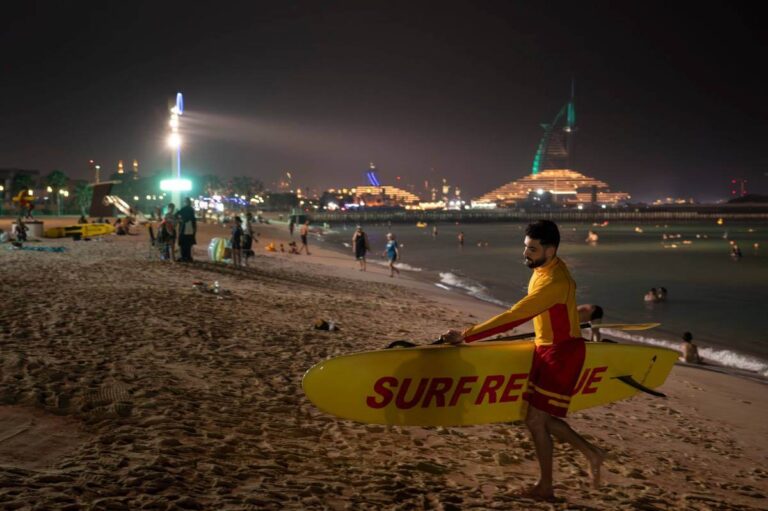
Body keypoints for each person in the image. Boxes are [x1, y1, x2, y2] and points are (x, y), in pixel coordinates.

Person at [441, 220, 604, 501]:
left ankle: (558, 478)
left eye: (532, 249)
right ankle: (580, 462)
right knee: (537, 420)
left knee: (536, 420)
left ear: (550, 250)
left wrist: (466, 335)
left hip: (561, 354)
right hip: (545, 349)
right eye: (526, 247)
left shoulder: (555, 281)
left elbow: (514, 316)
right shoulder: (545, 268)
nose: (526, 254)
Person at [175, 198, 197, 262]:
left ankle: (183, 257)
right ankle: (188, 257)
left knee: (183, 243)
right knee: (188, 243)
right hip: (190, 229)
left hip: (184, 228)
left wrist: (180, 220)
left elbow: (176, 215)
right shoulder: (191, 209)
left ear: (185, 202)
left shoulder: (184, 209)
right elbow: (193, 220)